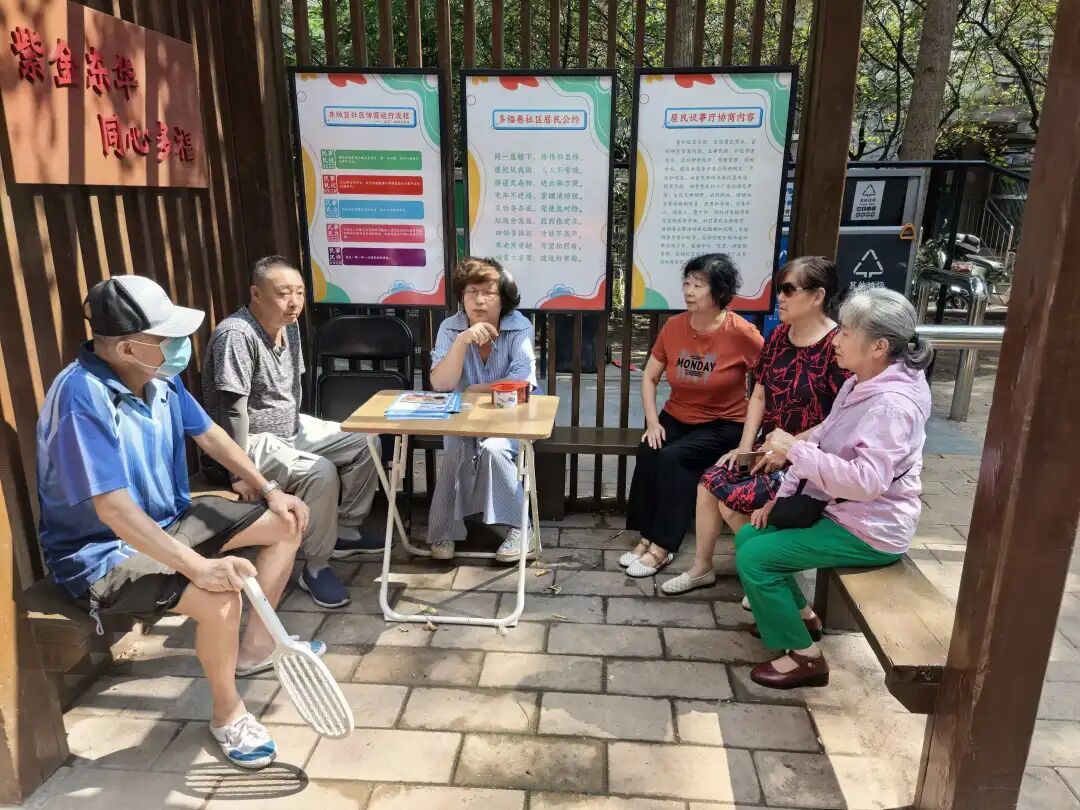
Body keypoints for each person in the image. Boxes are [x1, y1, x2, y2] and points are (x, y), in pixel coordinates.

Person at [37, 275, 317, 770]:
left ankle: (255, 650)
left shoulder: (157, 377)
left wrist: (270, 489)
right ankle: (229, 715)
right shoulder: (82, 398)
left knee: (287, 523)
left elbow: (210, 435)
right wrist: (198, 566)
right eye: (165, 336)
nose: (179, 345)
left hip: (170, 519)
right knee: (220, 597)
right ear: (127, 347)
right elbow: (113, 511)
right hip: (102, 552)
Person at [735, 288, 933, 689]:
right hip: (841, 510)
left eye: (845, 332)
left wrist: (793, 450)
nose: (836, 340)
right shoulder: (862, 382)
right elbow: (824, 436)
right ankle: (804, 619)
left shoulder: (892, 405)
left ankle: (805, 658)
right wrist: (780, 498)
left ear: (879, 346)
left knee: (757, 558)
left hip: (871, 528)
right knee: (749, 536)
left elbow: (867, 483)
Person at [663, 257, 850, 595]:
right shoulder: (778, 336)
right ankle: (702, 568)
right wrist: (745, 446)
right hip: (766, 450)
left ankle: (768, 575)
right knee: (710, 481)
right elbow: (759, 394)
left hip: (810, 459)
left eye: (789, 290)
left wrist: (791, 447)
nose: (780, 297)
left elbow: (839, 419)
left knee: (732, 501)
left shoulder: (837, 347)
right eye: (780, 289)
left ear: (817, 296)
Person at [202, 256, 379, 610]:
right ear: (256, 294)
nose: (294, 302)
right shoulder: (236, 335)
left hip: (292, 427)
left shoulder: (290, 325)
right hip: (251, 440)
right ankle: (315, 567)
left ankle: (344, 528)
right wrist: (238, 472)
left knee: (366, 440)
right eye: (283, 293)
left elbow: (291, 388)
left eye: (299, 292)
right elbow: (233, 410)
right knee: (320, 472)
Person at [623, 253, 764, 578]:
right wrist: (653, 422)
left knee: (674, 458)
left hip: (724, 424)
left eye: (698, 285)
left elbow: (768, 380)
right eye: (687, 283)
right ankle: (646, 535)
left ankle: (664, 545)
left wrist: (752, 439)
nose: (689, 290)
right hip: (677, 416)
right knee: (650, 449)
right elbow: (649, 377)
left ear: (720, 291)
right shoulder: (674, 327)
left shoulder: (742, 332)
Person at [427, 257, 537, 562]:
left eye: (488, 292)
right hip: (463, 417)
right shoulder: (450, 327)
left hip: (511, 415)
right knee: (454, 447)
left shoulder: (519, 327)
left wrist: (474, 389)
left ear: (504, 298)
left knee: (494, 449)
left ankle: (521, 528)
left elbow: (521, 382)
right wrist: (461, 342)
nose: (478, 300)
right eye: (471, 292)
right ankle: (444, 529)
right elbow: (441, 383)